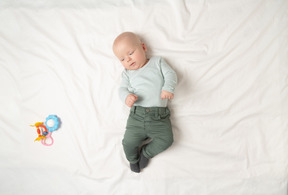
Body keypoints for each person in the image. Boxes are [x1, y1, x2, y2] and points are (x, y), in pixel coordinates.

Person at [113, 32, 177, 173]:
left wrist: (168, 88)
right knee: (128, 143)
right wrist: (126, 97)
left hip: (159, 117)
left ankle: (146, 153)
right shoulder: (127, 73)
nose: (128, 60)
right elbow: (122, 89)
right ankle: (133, 159)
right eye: (122, 59)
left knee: (167, 140)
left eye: (130, 53)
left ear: (143, 47)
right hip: (137, 116)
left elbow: (170, 74)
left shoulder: (157, 62)